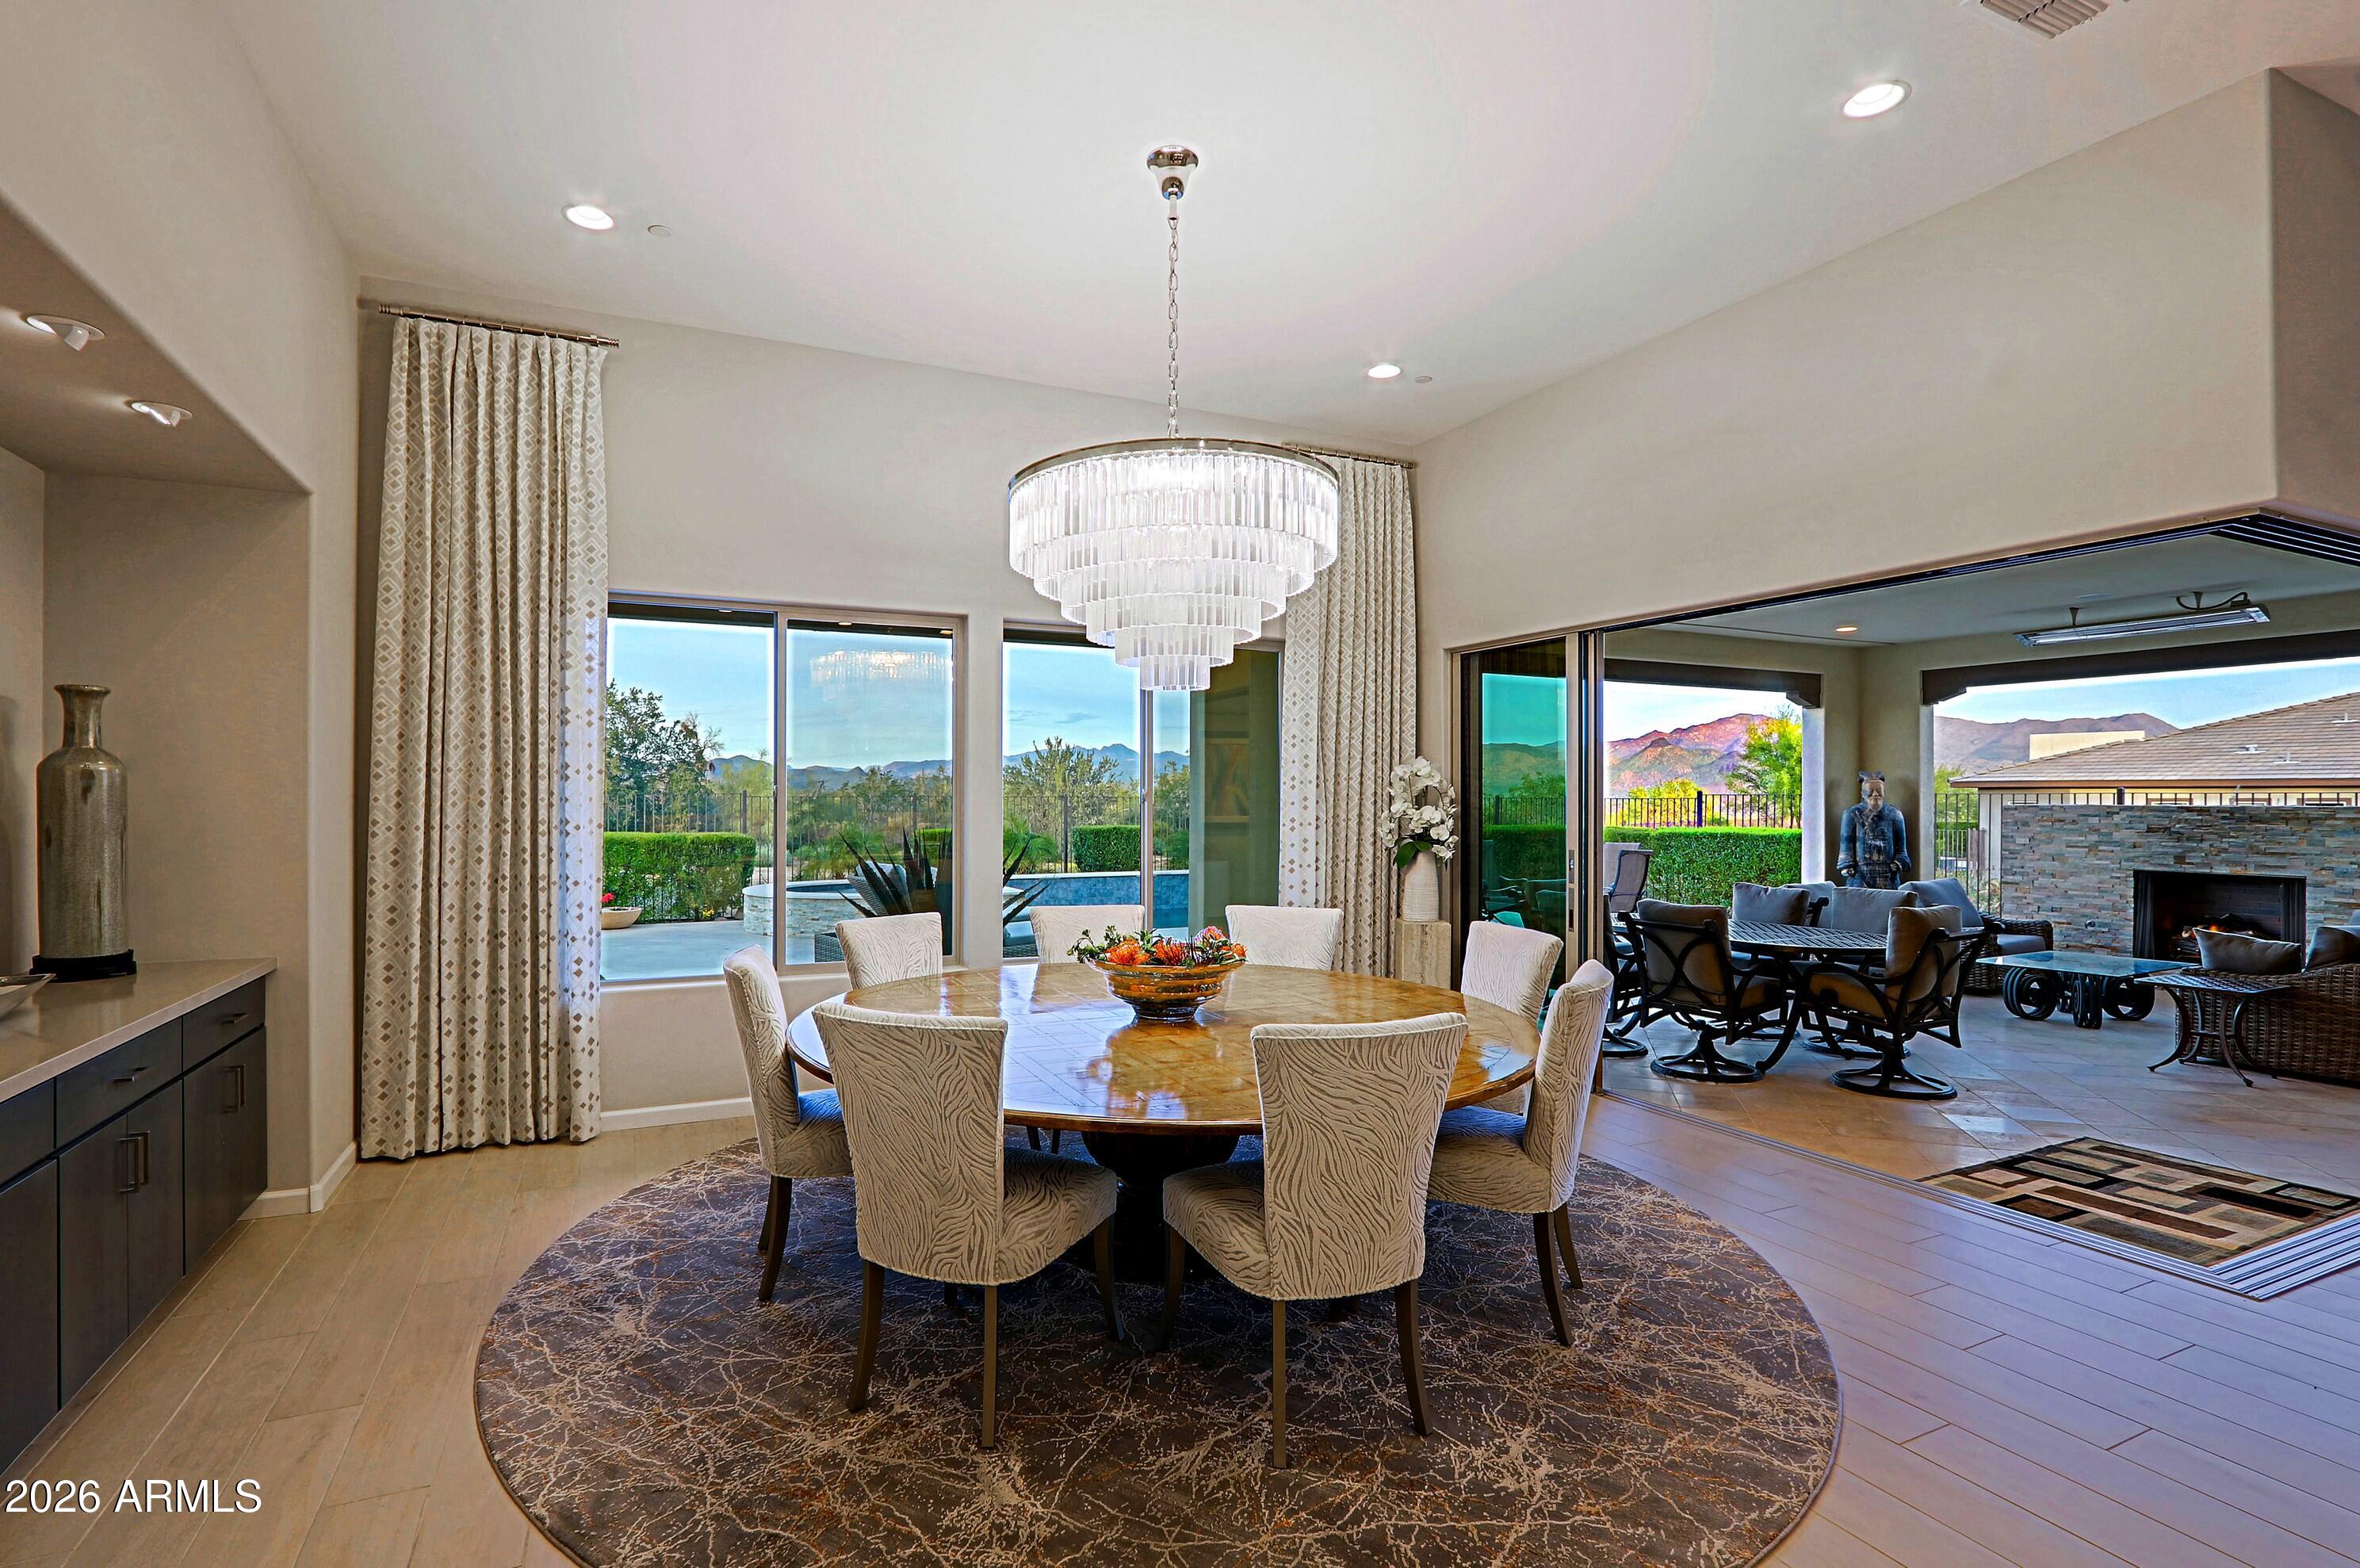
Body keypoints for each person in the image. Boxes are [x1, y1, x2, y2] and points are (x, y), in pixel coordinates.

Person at [1837, 771, 1911, 889]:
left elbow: (1902, 848)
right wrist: (1847, 866)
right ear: (1862, 793)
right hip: (1860, 875)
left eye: (1879, 791)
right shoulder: (1851, 814)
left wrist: (1898, 863)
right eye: (1870, 791)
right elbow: (1846, 844)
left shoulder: (1895, 814)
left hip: (1888, 876)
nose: (1875, 794)